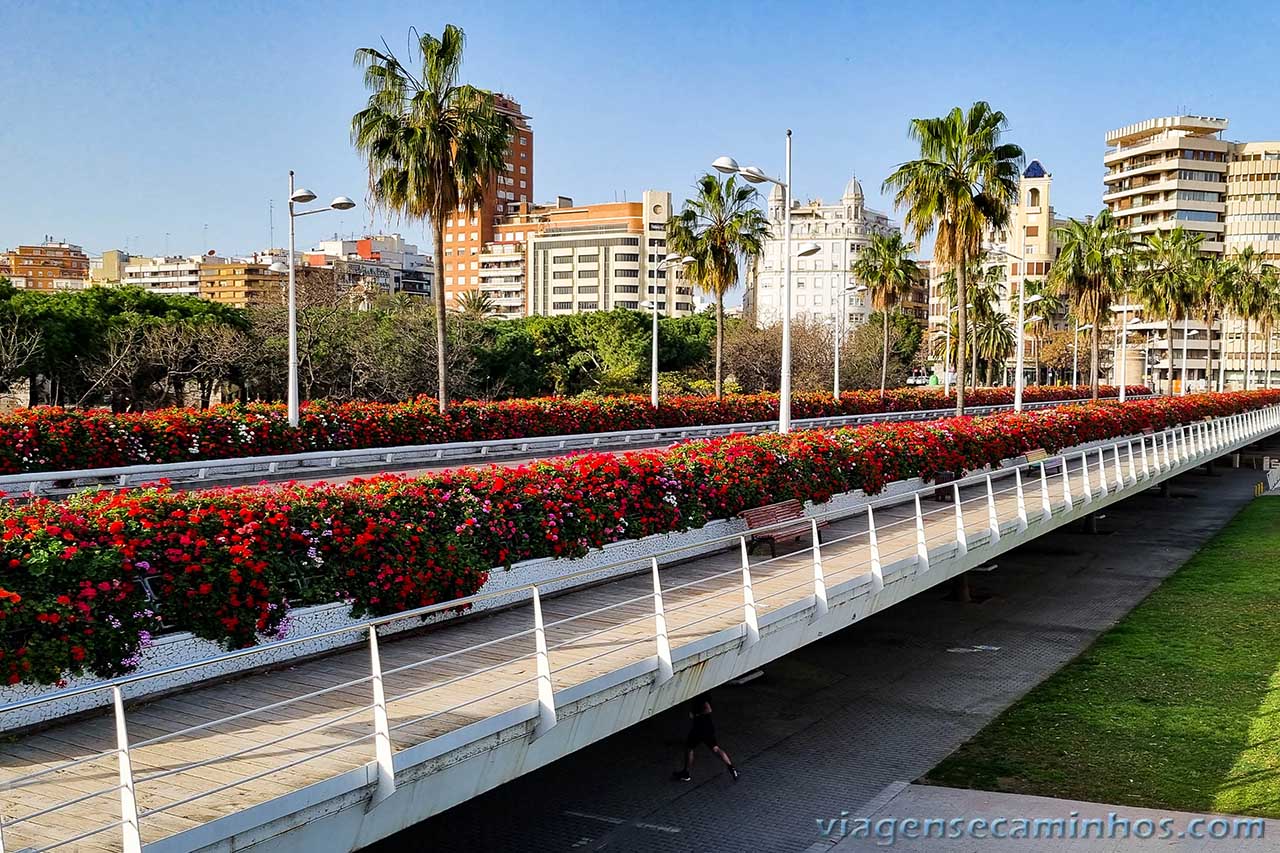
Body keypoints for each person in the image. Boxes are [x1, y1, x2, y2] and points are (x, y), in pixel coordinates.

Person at [672, 693, 739, 781]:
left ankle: (686, 773)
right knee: (716, 749)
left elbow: (709, 709)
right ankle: (731, 768)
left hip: (699, 729)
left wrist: (696, 715)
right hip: (708, 728)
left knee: (689, 748)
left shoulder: (700, 697)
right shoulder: (705, 694)